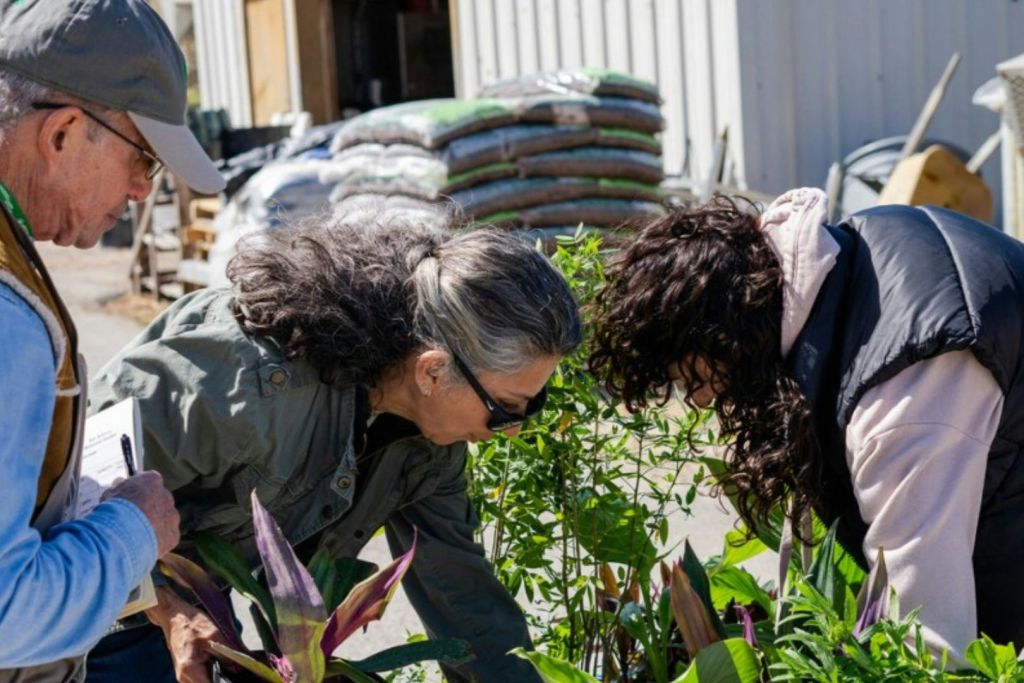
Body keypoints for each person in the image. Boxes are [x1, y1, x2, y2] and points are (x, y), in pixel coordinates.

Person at [87, 206, 581, 683]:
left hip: (198, 602)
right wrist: (171, 613)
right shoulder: (247, 387)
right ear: (432, 369)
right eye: (506, 408)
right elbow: (75, 487)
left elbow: (463, 597)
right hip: (93, 598)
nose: (513, 429)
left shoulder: (431, 446)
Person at [588, 187, 1024, 663]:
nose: (699, 400)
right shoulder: (844, 268)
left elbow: (932, 645)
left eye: (692, 376)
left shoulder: (902, 399)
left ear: (726, 338)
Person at [0, 0, 226, 679]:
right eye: (143, 160)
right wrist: (132, 528)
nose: (138, 191)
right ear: (64, 133)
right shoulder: (8, 322)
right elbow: (7, 611)